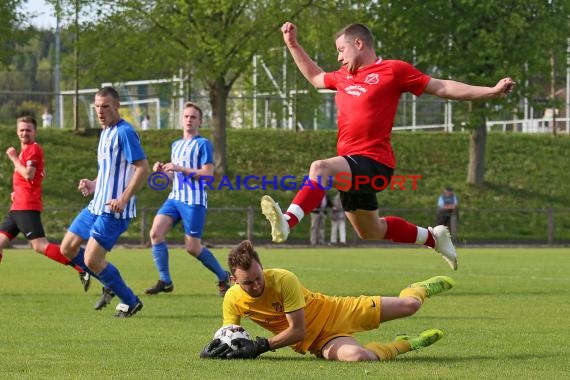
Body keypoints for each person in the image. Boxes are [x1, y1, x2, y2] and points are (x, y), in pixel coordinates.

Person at [261, 22, 516, 271]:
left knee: (320, 168)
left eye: (341, 49)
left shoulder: (393, 70)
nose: (338, 58)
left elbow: (441, 86)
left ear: (358, 44)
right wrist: (292, 44)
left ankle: (287, 221)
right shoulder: (343, 77)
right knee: (371, 230)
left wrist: (490, 91)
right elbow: (316, 78)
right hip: (351, 168)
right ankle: (434, 238)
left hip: (375, 164)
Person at [200, 240, 455, 361]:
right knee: (358, 357)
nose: (256, 285)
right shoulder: (232, 299)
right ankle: (405, 345)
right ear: (234, 281)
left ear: (262, 268)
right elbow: (229, 332)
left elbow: (297, 330)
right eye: (248, 282)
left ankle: (419, 288)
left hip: (337, 310)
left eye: (258, 277)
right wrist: (216, 349)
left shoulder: (283, 279)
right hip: (319, 342)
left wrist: (260, 346)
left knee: (411, 306)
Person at [60, 86, 149, 317]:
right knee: (67, 248)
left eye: (105, 106)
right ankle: (108, 280)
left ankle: (130, 301)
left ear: (117, 106)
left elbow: (142, 168)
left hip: (114, 209)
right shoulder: (105, 132)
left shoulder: (124, 132)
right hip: (96, 205)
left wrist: (123, 198)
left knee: (91, 258)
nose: (100, 111)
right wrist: (92, 183)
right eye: (97, 106)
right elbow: (108, 171)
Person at [144, 101, 230, 297]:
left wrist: (180, 168)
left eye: (193, 117)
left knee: (192, 247)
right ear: (181, 120)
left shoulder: (202, 144)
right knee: (155, 233)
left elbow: (208, 174)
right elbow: (172, 179)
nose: (189, 120)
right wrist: (161, 172)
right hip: (175, 197)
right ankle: (165, 280)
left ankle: (223, 276)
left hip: (194, 200)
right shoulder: (176, 145)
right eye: (186, 116)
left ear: (200, 122)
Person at [0, 115, 90, 291]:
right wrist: (15, 191)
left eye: (28, 130)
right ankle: (82, 267)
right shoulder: (26, 151)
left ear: (35, 132)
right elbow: (32, 176)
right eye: (22, 130)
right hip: (17, 206)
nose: (24, 133)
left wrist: (13, 158)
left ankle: (82, 267)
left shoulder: (33, 149)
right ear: (17, 132)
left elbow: (28, 174)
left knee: (40, 246)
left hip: (26, 207)